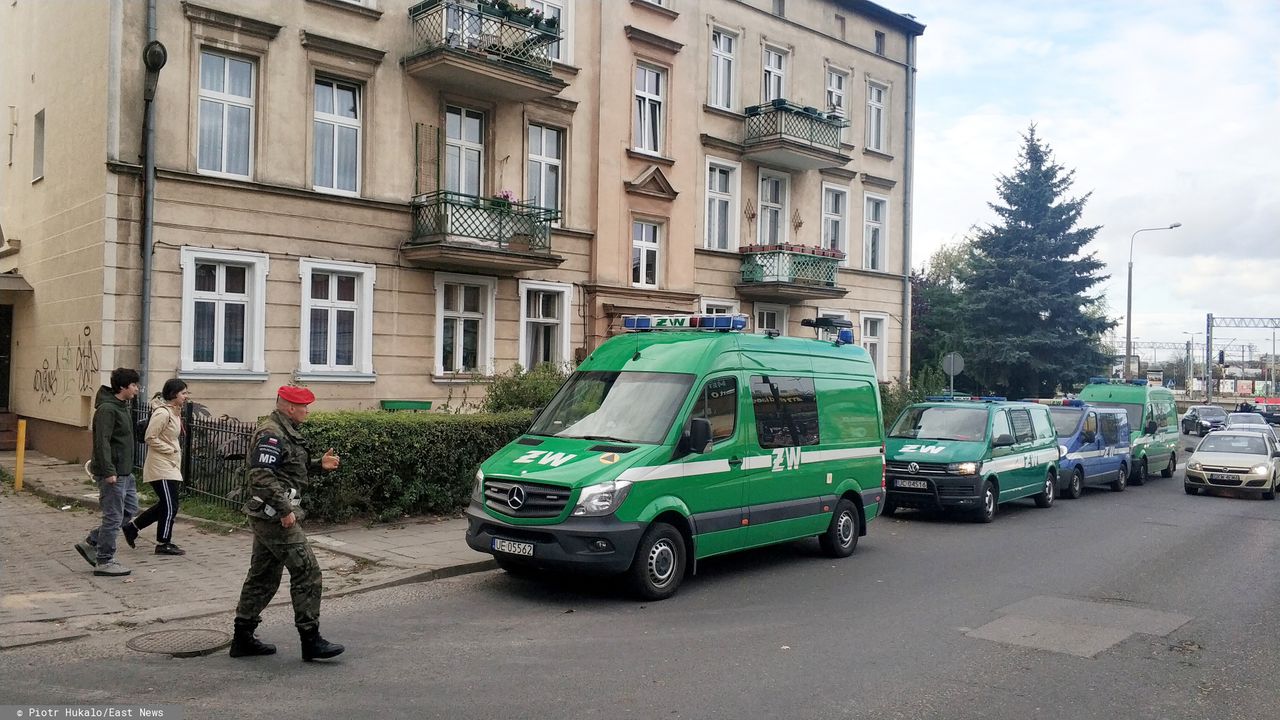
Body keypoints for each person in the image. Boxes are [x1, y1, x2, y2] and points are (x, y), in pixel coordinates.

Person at [230, 385, 344, 662]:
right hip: (274, 516)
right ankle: (311, 639)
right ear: (289, 407)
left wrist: (318, 464)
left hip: (270, 515)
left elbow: (286, 467)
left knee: (263, 577)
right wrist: (283, 510)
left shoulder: (284, 431)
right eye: (303, 406)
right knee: (308, 572)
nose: (307, 410)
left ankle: (242, 638)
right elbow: (261, 476)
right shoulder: (272, 433)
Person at [73, 368, 142, 577]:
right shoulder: (107, 409)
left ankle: (93, 541)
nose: (137, 390)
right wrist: (108, 470)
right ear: (123, 387)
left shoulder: (121, 407)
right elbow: (102, 441)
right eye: (134, 386)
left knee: (130, 508)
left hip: (125, 472)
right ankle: (104, 560)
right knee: (113, 517)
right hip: (113, 473)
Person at [131, 378, 190, 556]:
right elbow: (150, 437)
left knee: (166, 504)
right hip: (160, 465)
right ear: (173, 395)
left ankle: (132, 527)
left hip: (169, 464)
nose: (186, 397)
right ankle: (163, 542)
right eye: (183, 393)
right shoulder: (163, 413)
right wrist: (170, 449)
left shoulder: (175, 412)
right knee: (170, 504)